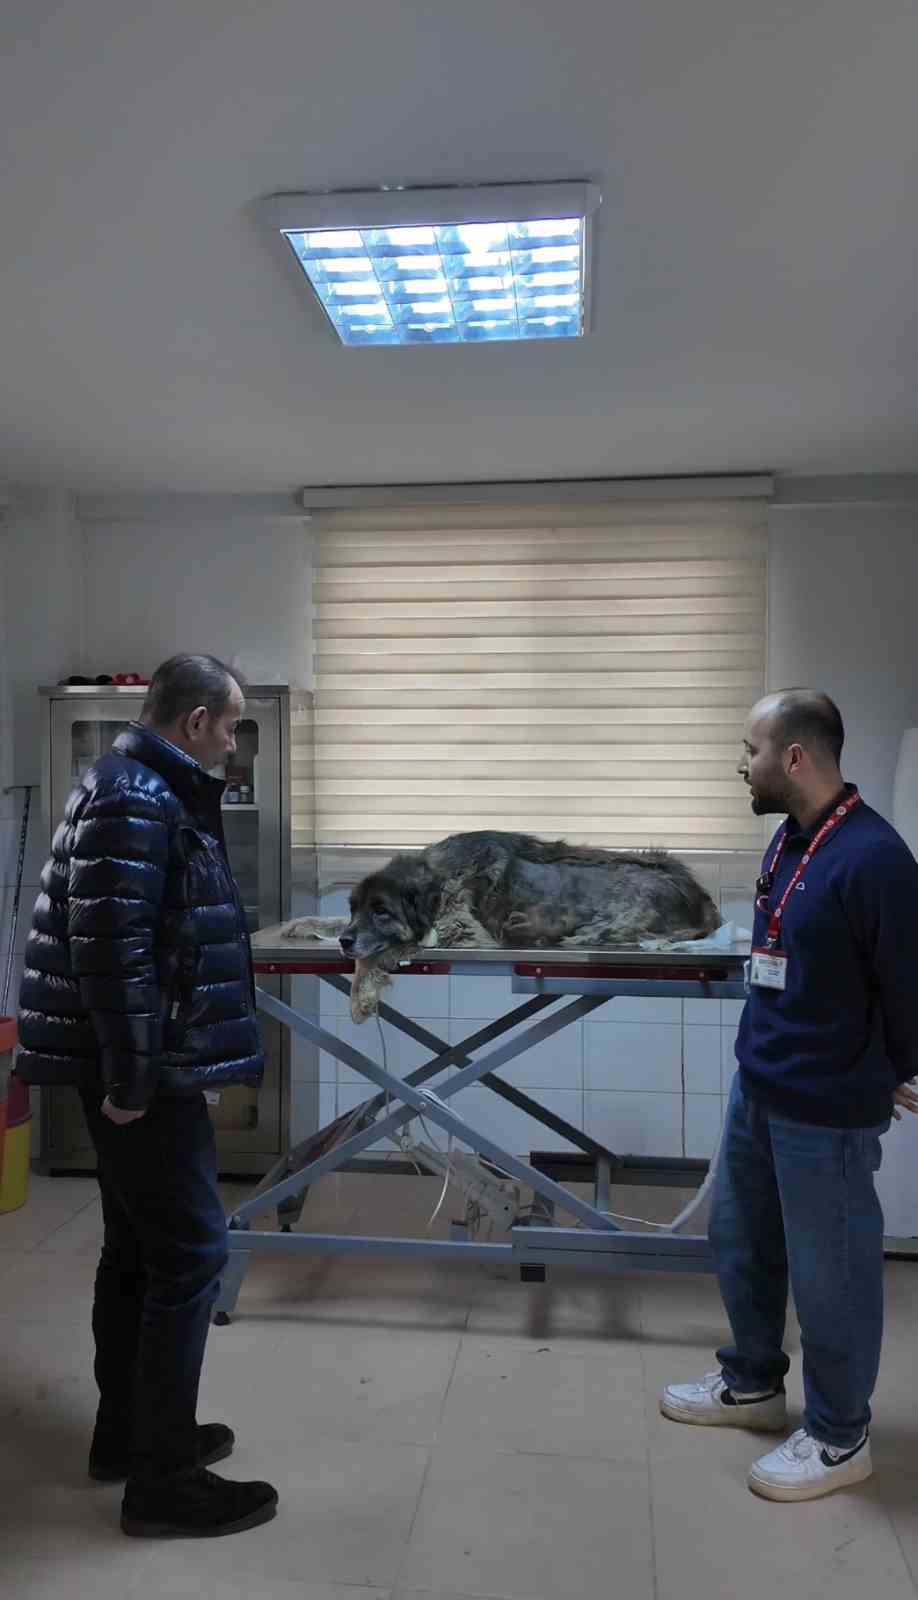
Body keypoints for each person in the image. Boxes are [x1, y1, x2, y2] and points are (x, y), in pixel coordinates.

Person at [16, 654, 279, 1538]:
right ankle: (163, 1483)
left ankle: (130, 1436)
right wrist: (135, 1076)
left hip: (147, 1060)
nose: (234, 743)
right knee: (192, 1255)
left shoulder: (141, 786)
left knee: (138, 1250)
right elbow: (112, 951)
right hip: (142, 1069)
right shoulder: (136, 796)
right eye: (231, 726)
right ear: (197, 721)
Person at [660, 688, 918, 1502]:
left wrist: (900, 1064)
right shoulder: (791, 839)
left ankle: (840, 1436)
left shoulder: (874, 858)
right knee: (741, 1238)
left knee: (830, 1272)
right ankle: (753, 1384)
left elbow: (906, 977)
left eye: (751, 749)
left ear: (795, 757)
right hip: (762, 1082)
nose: (741, 763)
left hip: (827, 1104)